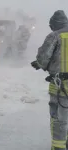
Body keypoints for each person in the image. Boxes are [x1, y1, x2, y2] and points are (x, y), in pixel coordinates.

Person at [31, 10, 68, 150]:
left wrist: (39, 64)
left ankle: (58, 147)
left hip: (61, 85)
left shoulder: (55, 36)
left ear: (54, 24)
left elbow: (43, 58)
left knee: (59, 118)